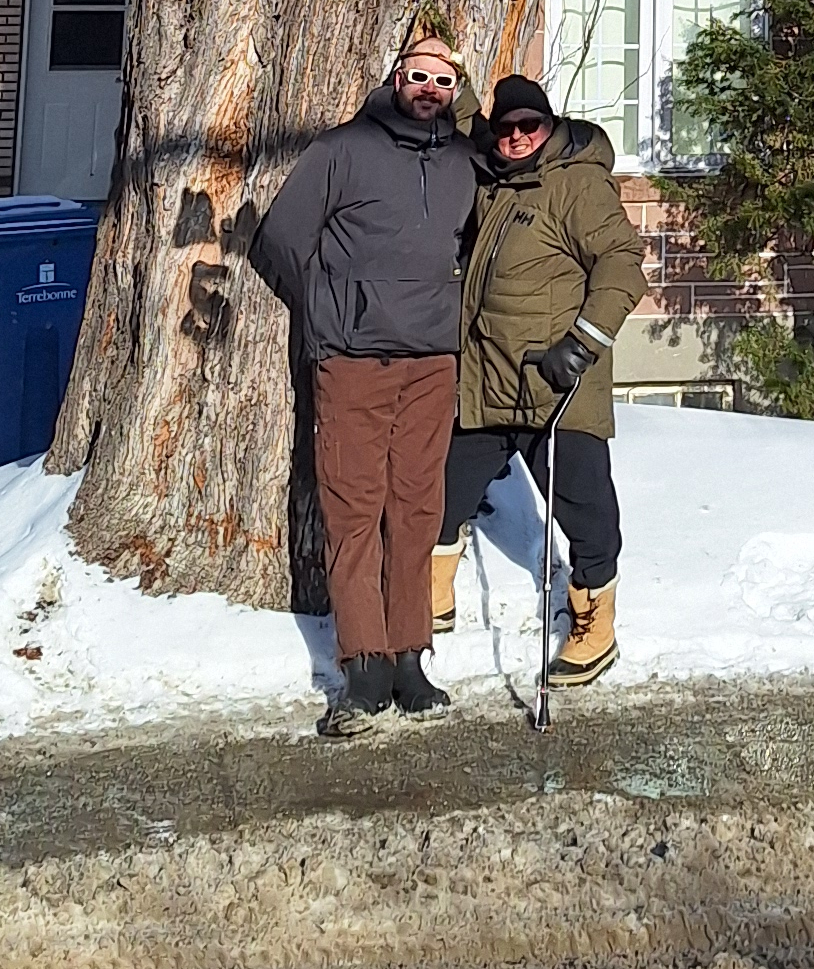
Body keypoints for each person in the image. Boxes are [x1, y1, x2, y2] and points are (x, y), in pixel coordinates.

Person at [251, 37, 477, 736]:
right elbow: (279, 239)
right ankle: (364, 663)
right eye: (419, 76)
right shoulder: (341, 150)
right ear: (396, 79)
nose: (429, 88)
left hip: (431, 362)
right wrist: (330, 310)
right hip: (352, 359)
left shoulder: (467, 162)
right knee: (355, 508)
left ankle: (409, 655)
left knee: (417, 509)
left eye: (443, 79)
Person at [435, 75, 648, 686]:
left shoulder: (577, 184)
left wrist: (582, 344)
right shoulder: (498, 175)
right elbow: (478, 129)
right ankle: (434, 601)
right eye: (508, 128)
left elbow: (623, 265)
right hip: (491, 383)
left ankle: (594, 624)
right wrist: (459, 86)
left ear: (550, 126)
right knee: (445, 494)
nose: (518, 136)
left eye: (531, 125)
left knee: (583, 509)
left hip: (558, 386)